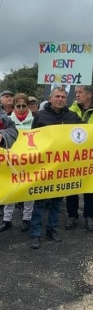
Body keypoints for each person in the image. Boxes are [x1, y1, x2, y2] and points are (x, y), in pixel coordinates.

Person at [29, 87, 81, 249]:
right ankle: (35, 233)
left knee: (57, 202)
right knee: (40, 201)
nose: (60, 99)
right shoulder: (40, 116)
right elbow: (31, 140)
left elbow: (91, 132)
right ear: (50, 98)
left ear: (66, 100)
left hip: (62, 167)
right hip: (44, 167)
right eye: (57, 96)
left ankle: (51, 229)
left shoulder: (72, 117)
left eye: (63, 97)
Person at [66, 86, 93, 232]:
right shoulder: (69, 111)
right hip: (73, 156)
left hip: (91, 157)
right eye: (76, 93)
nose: (77, 95)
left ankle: (89, 216)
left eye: (80, 92)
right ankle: (72, 216)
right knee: (71, 187)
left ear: (89, 95)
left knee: (90, 187)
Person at [1, 93, 31, 232]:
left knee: (29, 190)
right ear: (14, 106)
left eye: (24, 106)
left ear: (28, 106)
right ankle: (7, 220)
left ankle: (27, 218)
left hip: (30, 160)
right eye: (18, 106)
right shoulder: (8, 120)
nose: (21, 108)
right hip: (11, 160)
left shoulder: (34, 119)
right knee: (11, 188)